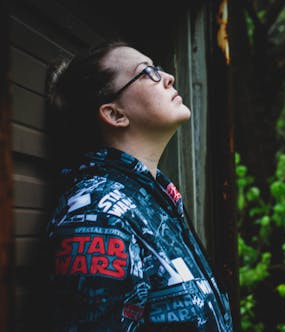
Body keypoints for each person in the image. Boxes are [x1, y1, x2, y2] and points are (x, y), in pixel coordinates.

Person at [46, 41, 233, 331]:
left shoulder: (154, 200)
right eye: (148, 72)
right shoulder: (99, 214)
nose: (168, 77)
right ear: (115, 114)